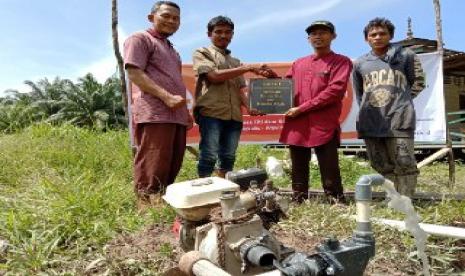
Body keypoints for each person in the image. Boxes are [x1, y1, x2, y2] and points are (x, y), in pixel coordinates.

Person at [123, 1, 192, 207]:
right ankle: (145, 207)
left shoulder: (172, 50)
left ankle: (161, 203)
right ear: (151, 17)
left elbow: (176, 83)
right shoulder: (140, 39)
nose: (171, 21)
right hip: (155, 112)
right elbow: (134, 72)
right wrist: (166, 97)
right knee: (153, 160)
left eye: (176, 18)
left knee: (172, 160)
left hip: (176, 115)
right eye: (166, 16)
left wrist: (185, 113)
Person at [192, 16, 276, 178]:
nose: (223, 35)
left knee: (228, 156)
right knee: (209, 155)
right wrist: (249, 67)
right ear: (209, 34)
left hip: (234, 116)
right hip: (211, 113)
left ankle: (223, 190)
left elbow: (239, 89)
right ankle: (203, 190)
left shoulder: (235, 61)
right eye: (218, 32)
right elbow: (214, 76)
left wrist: (249, 107)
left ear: (232, 35)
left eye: (228, 32)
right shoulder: (202, 52)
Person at [279, 20, 353, 204]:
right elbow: (285, 87)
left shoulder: (341, 61)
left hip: (323, 122)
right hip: (297, 122)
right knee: (298, 165)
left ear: (333, 36)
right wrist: (269, 81)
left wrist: (302, 108)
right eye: (313, 34)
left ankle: (336, 200)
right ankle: (299, 199)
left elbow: (334, 92)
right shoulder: (299, 63)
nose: (318, 36)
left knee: (329, 165)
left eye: (323, 32)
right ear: (308, 38)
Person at [352, 17, 425, 197]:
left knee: (404, 161)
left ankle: (405, 201)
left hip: (399, 118)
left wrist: (402, 100)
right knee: (379, 163)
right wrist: (367, 109)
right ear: (366, 39)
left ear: (390, 35)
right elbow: (360, 92)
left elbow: (419, 82)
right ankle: (393, 198)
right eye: (373, 34)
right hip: (371, 120)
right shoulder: (360, 63)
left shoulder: (406, 56)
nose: (377, 37)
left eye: (382, 33)